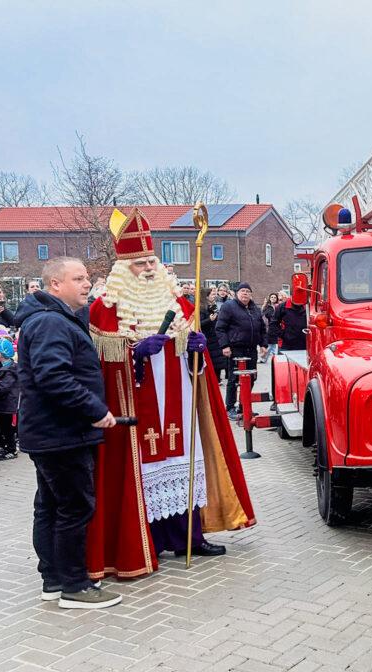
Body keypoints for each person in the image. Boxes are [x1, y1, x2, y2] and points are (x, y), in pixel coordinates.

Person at [86, 208, 255, 578]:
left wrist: (197, 348)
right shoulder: (105, 311)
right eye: (139, 263)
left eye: (151, 261)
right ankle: (142, 541)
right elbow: (100, 371)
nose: (148, 267)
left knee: (183, 464)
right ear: (123, 269)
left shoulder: (178, 304)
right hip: (138, 404)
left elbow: (199, 367)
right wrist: (132, 354)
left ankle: (188, 536)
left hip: (178, 401)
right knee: (143, 471)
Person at [15, 256, 122, 609]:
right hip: (62, 434)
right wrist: (96, 410)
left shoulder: (54, 319)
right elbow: (53, 377)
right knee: (73, 508)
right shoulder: (50, 323)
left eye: (87, 277)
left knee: (50, 506)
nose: (87, 283)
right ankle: (74, 586)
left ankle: (54, 580)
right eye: (78, 278)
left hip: (52, 433)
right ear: (55, 285)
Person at [216, 282, 266, 417]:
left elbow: (261, 329)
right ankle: (230, 407)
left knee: (251, 378)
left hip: (251, 350)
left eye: (248, 291)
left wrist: (263, 345)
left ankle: (244, 406)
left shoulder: (254, 308)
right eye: (242, 291)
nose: (245, 293)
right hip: (235, 349)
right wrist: (225, 346)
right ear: (237, 293)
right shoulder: (229, 307)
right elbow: (220, 328)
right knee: (234, 378)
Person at [261, 292, 280, 361]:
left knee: (273, 344)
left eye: (275, 297)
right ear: (269, 298)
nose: (273, 298)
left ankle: (265, 358)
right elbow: (263, 315)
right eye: (272, 297)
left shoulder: (278, 306)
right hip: (269, 327)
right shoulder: (267, 307)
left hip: (277, 326)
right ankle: (265, 358)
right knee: (271, 343)